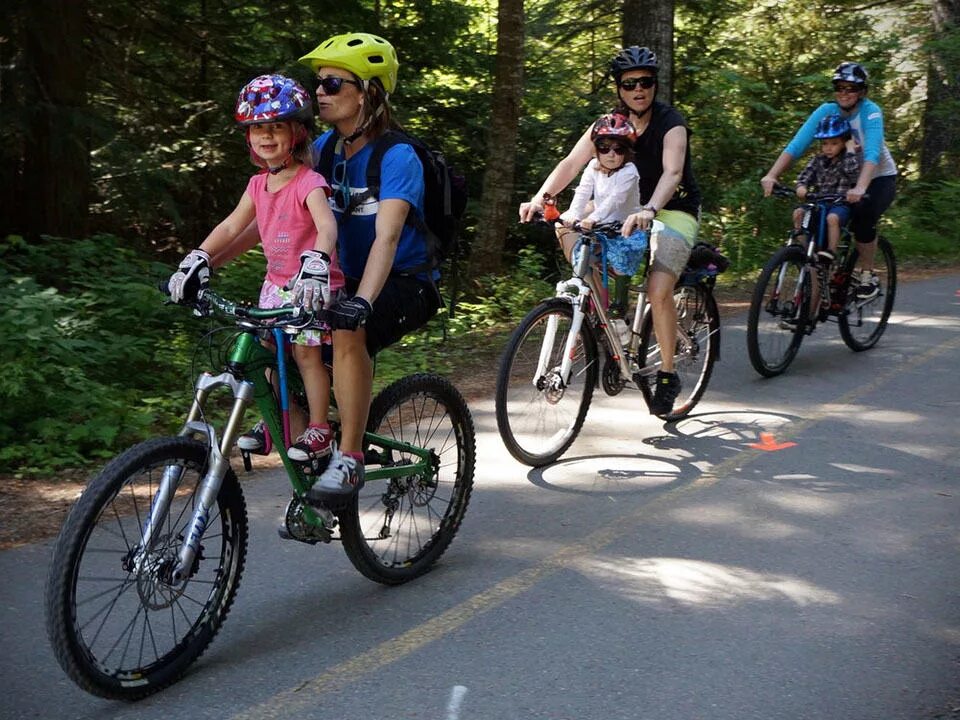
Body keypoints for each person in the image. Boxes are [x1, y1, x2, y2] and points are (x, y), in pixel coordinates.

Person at [294, 32, 442, 503]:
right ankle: (314, 437)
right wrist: (204, 258)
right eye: (318, 83)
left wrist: (360, 301)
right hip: (346, 279)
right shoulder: (323, 149)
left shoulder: (397, 156)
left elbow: (388, 237)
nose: (320, 92)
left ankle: (350, 458)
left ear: (368, 93)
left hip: (404, 283)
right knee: (280, 337)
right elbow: (272, 205)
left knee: (347, 332)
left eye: (333, 83)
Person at [167, 74, 344, 465]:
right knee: (264, 353)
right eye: (258, 128)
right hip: (274, 285)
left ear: (296, 133)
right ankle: (282, 419)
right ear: (249, 137)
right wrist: (198, 256)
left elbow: (327, 225)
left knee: (305, 355)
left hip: (309, 285)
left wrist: (316, 261)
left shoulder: (308, 181)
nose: (266, 135)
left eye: (276, 126)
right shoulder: (257, 185)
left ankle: (319, 428)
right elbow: (231, 226)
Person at [520, 46, 702, 416]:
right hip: (621, 207)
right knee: (564, 225)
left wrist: (650, 210)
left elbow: (673, 173)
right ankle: (609, 320)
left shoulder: (671, 123)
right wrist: (541, 197)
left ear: (655, 85)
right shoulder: (608, 123)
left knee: (657, 289)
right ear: (619, 88)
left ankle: (667, 374)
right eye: (630, 83)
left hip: (672, 209)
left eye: (646, 82)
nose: (639, 90)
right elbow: (572, 162)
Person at [761, 61, 897, 300]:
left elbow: (873, 152)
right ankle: (814, 282)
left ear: (862, 92)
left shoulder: (871, 112)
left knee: (862, 219)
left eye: (851, 88)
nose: (844, 93)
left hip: (877, 177)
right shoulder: (826, 111)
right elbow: (797, 145)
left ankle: (867, 275)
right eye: (839, 87)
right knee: (815, 221)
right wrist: (772, 175)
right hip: (843, 180)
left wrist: (861, 186)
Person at [793, 113, 861, 264]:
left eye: (834, 143)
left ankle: (831, 251)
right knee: (799, 213)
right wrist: (801, 187)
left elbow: (854, 175)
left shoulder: (848, 159)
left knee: (832, 218)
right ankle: (805, 251)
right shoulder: (817, 160)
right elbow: (804, 177)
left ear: (844, 142)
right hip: (819, 203)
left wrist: (850, 150)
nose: (828, 148)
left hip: (839, 203)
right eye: (825, 144)